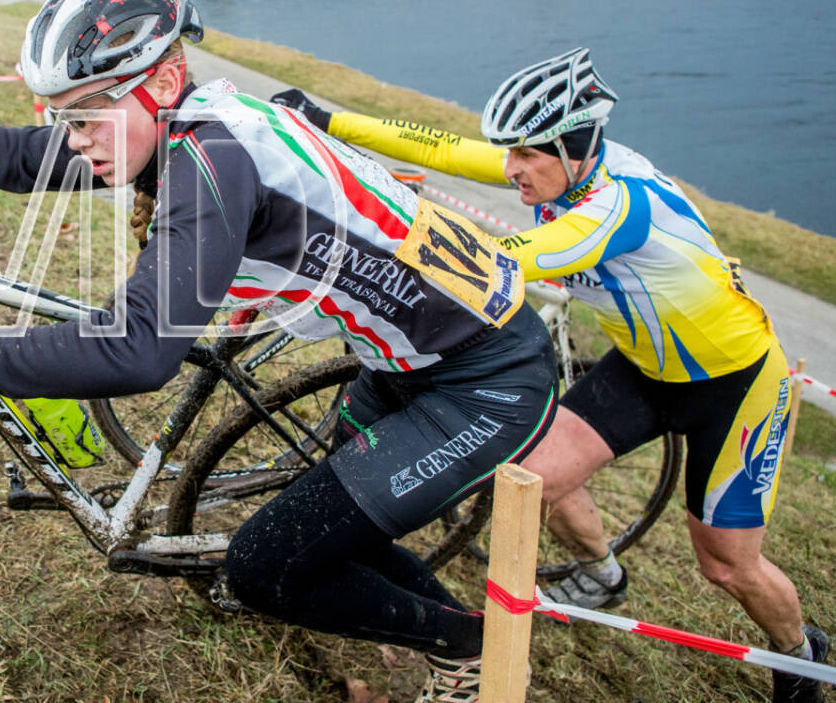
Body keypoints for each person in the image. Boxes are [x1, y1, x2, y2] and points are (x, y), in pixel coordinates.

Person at [0, 0, 559, 703]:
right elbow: (16, 157)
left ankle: (476, 649)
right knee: (325, 516)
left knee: (265, 566)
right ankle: (438, 616)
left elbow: (138, 352)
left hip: (486, 379)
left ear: (165, 79)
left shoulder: (211, 157)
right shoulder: (166, 123)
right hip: (404, 358)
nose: (75, 138)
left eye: (88, 117)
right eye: (63, 117)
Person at [272, 49, 827, 703]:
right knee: (531, 476)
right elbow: (446, 148)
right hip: (644, 371)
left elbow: (503, 261)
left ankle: (801, 656)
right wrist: (326, 120)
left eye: (526, 157)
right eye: (511, 155)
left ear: (576, 146)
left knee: (726, 565)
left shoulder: (622, 205)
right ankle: (600, 573)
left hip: (733, 386)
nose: (511, 170)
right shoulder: (555, 168)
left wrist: (373, 255)